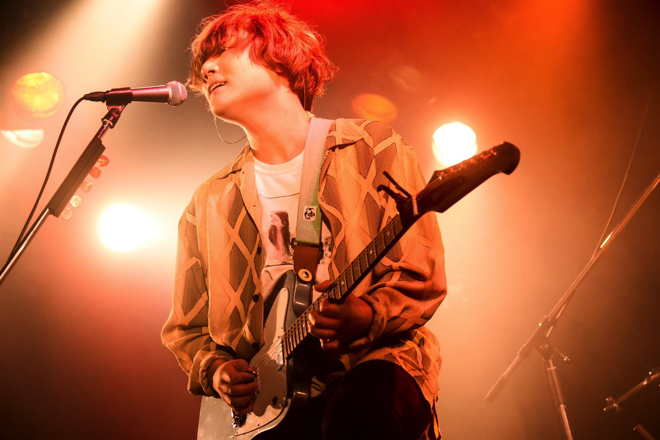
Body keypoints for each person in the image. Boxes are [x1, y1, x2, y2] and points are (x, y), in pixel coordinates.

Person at [161, 2, 447, 439]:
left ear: (281, 58)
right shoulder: (208, 201)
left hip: (375, 365)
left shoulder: (372, 147)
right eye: (204, 63)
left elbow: (421, 272)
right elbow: (188, 327)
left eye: (223, 52)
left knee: (356, 415)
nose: (207, 69)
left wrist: (367, 313)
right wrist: (216, 370)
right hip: (266, 410)